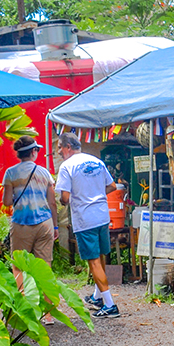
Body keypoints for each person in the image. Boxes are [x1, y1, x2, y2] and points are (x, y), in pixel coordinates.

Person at [55, 132, 120, 318]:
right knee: (100, 257)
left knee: (93, 261)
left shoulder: (67, 166)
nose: (58, 151)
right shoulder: (96, 161)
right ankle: (98, 296)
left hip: (85, 219)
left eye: (59, 147)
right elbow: (112, 186)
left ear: (68, 147)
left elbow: (65, 197)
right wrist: (96, 194)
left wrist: (64, 200)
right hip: (102, 215)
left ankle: (110, 305)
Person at [1, 136, 58, 325]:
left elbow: (7, 202)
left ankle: (26, 313)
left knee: (19, 266)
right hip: (44, 223)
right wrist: (55, 226)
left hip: (21, 224)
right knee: (45, 267)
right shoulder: (44, 173)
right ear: (33, 152)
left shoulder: (10, 173)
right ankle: (48, 315)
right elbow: (52, 203)